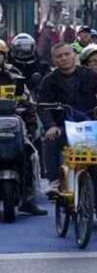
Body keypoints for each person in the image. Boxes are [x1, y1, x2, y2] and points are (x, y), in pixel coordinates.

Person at [38, 43, 97, 239]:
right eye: (59, 56)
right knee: (49, 139)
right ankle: (54, 181)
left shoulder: (88, 74)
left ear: (73, 55)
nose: (64, 58)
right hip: (62, 126)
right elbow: (42, 106)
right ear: (54, 60)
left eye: (67, 54)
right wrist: (50, 125)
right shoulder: (49, 81)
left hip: (88, 127)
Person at [0, 40, 46, 216]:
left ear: (4, 56)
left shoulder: (14, 74)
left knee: (29, 154)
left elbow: (27, 102)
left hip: (12, 124)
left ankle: (28, 199)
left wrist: (32, 124)